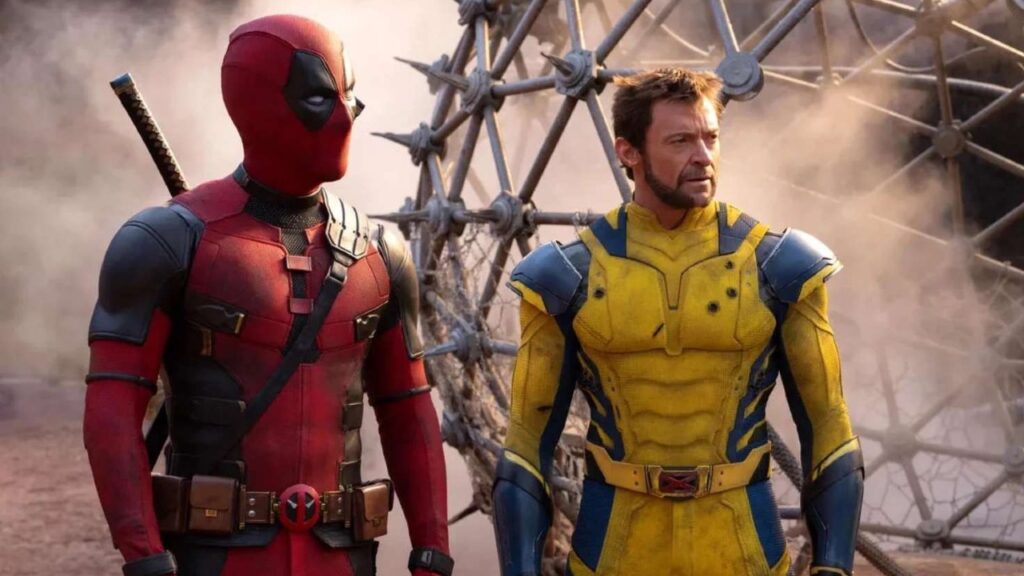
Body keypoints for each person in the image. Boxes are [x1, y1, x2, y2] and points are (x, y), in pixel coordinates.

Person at [83, 15, 453, 576]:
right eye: (319, 97)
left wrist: (432, 549)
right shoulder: (165, 242)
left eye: (349, 94)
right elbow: (111, 412)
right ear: (257, 104)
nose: (346, 114)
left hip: (343, 557)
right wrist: (145, 555)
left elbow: (409, 411)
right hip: (213, 559)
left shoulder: (381, 254)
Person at [492, 68, 863, 576]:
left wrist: (833, 568)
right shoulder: (565, 277)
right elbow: (524, 451)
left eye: (711, 137)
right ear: (629, 152)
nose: (703, 156)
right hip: (613, 554)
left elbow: (830, 435)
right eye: (681, 140)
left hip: (744, 552)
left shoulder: (779, 267)